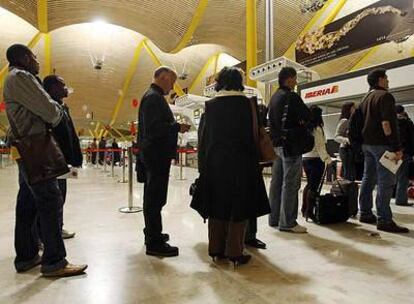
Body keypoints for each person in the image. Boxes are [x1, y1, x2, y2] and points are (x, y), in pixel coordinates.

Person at [3, 44, 87, 276]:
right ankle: (54, 262)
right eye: (34, 57)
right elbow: (50, 112)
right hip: (36, 148)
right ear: (22, 58)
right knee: (51, 200)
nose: (37, 61)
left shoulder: (14, 79)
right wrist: (56, 109)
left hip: (29, 148)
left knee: (28, 203)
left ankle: (27, 256)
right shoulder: (21, 76)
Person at [198, 67, 270, 265]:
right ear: (239, 81)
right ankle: (235, 252)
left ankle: (215, 249)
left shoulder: (210, 105)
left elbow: (204, 139)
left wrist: (203, 167)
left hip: (215, 164)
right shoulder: (247, 105)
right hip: (242, 163)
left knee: (217, 206)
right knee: (239, 207)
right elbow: (253, 137)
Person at [137, 66, 191, 257]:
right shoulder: (154, 98)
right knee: (155, 199)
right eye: (172, 81)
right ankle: (154, 241)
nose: (172, 86)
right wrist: (177, 127)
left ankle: (152, 234)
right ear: (164, 77)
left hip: (152, 155)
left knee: (152, 197)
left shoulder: (152, 96)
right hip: (156, 156)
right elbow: (155, 129)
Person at [358, 68, 409, 233]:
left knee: (368, 178)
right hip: (383, 146)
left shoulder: (365, 98)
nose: (388, 81)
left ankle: (365, 213)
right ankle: (384, 220)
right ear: (380, 80)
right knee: (385, 182)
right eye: (386, 78)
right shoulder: (385, 96)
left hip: (367, 145)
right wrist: (396, 147)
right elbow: (386, 124)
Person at [268, 67, 311, 233]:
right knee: (291, 184)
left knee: (276, 182)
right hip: (291, 145)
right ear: (289, 79)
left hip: (276, 145)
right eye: (294, 78)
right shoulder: (291, 96)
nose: (296, 81)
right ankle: (288, 222)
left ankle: (274, 218)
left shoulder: (274, 98)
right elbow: (307, 116)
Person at [43, 74, 83, 239]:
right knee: (54, 197)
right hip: (54, 160)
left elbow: (70, 134)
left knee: (60, 196)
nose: (66, 88)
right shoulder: (49, 108)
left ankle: (58, 227)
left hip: (64, 160)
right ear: (52, 88)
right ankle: (47, 233)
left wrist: (75, 157)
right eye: (62, 85)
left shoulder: (62, 107)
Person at [244, 97, 268, 250]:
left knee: (251, 200)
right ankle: (247, 236)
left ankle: (249, 235)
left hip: (253, 164)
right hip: (248, 164)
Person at [302, 106, 332, 216]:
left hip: (305, 159)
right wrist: (327, 160)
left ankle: (304, 209)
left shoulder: (306, 127)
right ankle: (309, 211)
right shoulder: (317, 129)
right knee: (313, 186)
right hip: (315, 160)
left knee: (309, 184)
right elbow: (320, 147)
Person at [395, 105, 414, 206]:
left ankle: (389, 198)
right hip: (404, 152)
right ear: (402, 112)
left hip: (390, 152)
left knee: (390, 176)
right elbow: (412, 139)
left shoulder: (390, 122)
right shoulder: (407, 122)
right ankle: (401, 200)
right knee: (403, 177)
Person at [335, 102, 356, 181]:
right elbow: (336, 136)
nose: (355, 109)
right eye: (353, 108)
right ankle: (347, 191)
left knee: (351, 172)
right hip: (345, 149)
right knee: (348, 173)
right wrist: (347, 140)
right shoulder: (344, 121)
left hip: (351, 149)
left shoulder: (352, 121)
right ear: (349, 109)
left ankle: (350, 190)